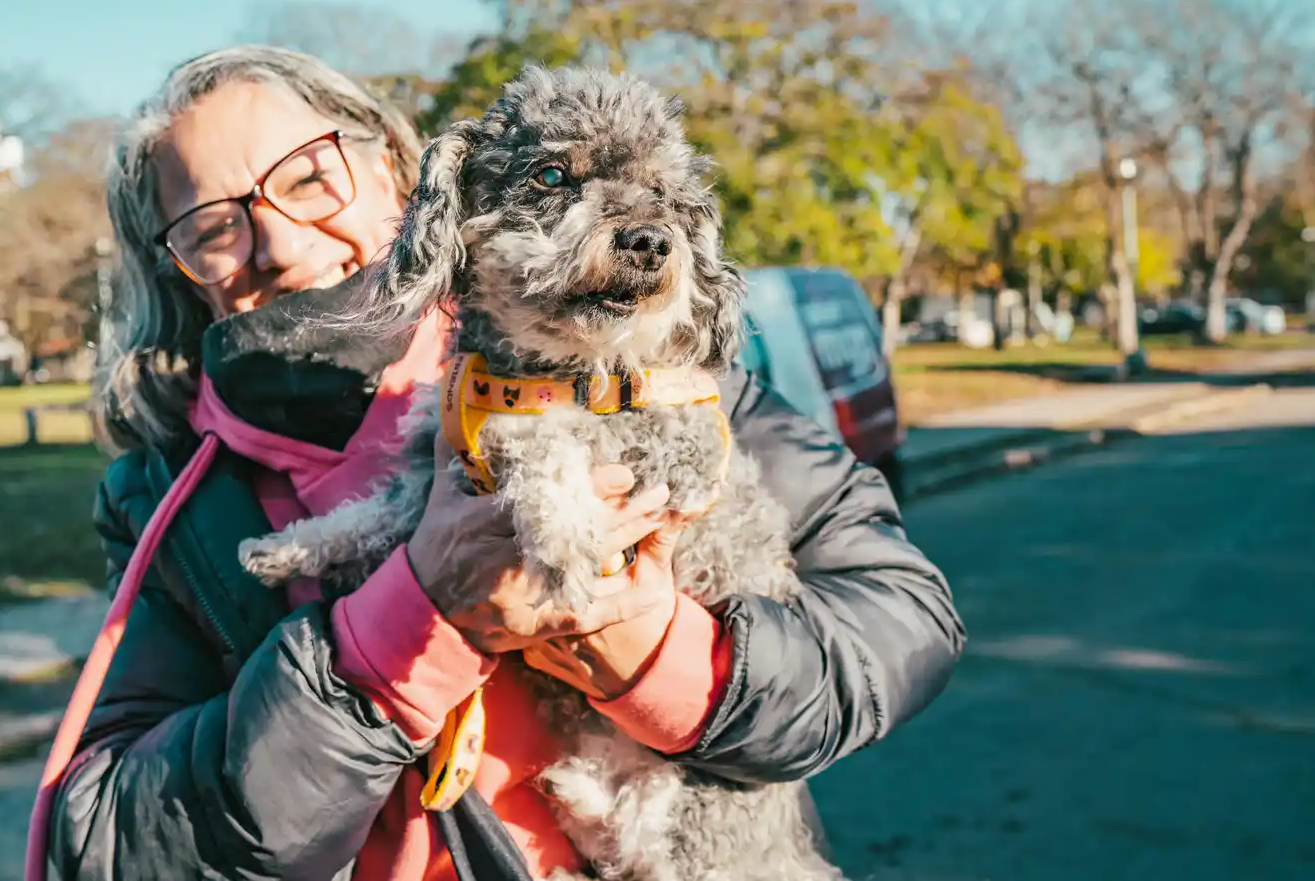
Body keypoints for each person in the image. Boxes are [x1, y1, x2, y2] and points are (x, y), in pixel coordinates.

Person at [51, 44, 966, 881]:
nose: (282, 243)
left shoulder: (661, 375)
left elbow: (906, 621)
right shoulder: (170, 505)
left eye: (309, 177)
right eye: (215, 226)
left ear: (394, 175)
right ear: (177, 268)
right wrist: (385, 644)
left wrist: (656, 657)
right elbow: (108, 844)